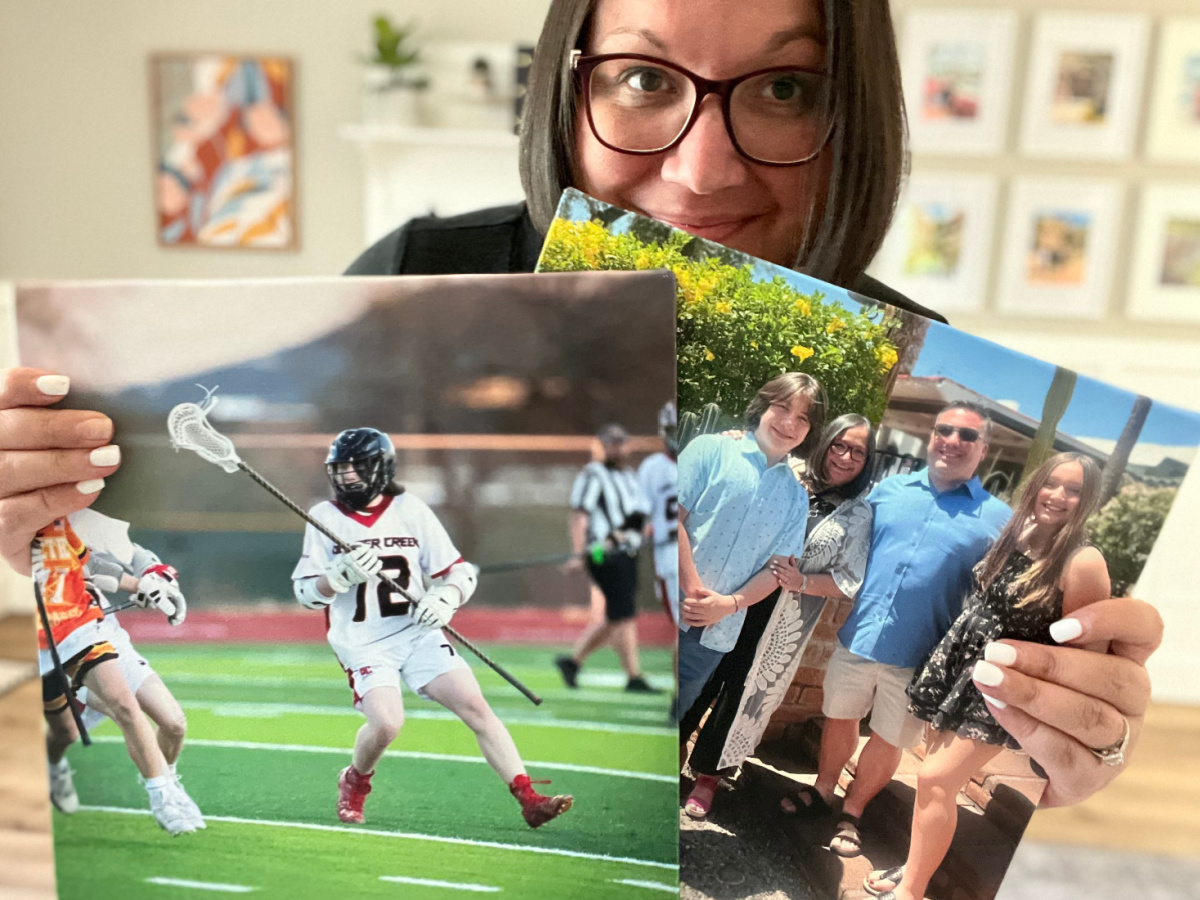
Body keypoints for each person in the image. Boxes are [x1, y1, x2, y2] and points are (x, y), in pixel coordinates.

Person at [0, 0, 1163, 810]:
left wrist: (1056, 730)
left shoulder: (876, 353)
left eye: (787, 86)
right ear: (571, 83)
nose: (703, 172)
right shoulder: (418, 270)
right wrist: (40, 498)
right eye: (647, 79)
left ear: (852, 114)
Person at [291, 427, 572, 829]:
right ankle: (355, 781)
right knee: (387, 723)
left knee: (476, 707)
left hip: (417, 632)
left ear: (380, 468)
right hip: (364, 642)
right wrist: (338, 577)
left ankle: (529, 798)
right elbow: (306, 593)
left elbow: (457, 572)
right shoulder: (324, 517)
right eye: (341, 468)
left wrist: (446, 599)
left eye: (356, 467)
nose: (347, 476)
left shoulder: (410, 509)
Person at [865, 453, 1112, 900]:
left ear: (1088, 500)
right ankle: (913, 869)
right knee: (935, 779)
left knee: (935, 780)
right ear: (1036, 482)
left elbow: (1088, 653)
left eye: (1074, 490)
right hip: (958, 668)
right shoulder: (1020, 531)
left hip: (1003, 689)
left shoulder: (1083, 561)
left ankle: (912, 892)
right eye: (1052, 483)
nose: (1058, 496)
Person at [783, 403, 1011, 857]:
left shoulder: (1000, 520)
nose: (952, 440)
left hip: (922, 657)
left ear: (983, 449)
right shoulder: (887, 491)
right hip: (859, 637)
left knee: (889, 738)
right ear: (932, 438)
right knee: (839, 718)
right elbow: (828, 493)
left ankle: (853, 812)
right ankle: (824, 790)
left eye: (966, 435)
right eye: (944, 430)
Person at [680, 414, 875, 818]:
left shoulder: (858, 513)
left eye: (858, 451)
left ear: (868, 459)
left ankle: (709, 777)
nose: (845, 456)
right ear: (824, 442)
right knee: (700, 677)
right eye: (839, 443)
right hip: (732, 594)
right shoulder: (789, 473)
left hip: (780, 620)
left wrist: (801, 581)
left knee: (739, 694)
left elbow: (848, 581)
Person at [33, 516, 203, 835]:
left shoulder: (63, 518)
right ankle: (53, 766)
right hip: (44, 640)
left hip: (92, 630)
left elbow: (107, 559)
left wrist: (150, 581)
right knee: (70, 731)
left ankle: (167, 787)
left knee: (173, 722)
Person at [676, 372, 824, 724]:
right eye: (783, 407)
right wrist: (694, 588)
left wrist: (728, 605)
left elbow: (776, 570)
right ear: (762, 406)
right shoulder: (710, 450)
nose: (790, 422)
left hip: (714, 633)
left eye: (803, 418)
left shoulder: (795, 498)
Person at [555, 422, 658, 692]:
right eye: (611, 443)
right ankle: (633, 675)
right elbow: (580, 515)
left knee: (619, 614)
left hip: (629, 551)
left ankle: (573, 661)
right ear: (602, 447)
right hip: (603, 552)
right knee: (622, 612)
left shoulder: (629, 476)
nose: (617, 448)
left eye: (620, 442)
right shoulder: (593, 474)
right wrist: (579, 553)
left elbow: (637, 515)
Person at [637, 403, 681, 713]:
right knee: (684, 630)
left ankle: (682, 698)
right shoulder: (653, 467)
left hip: (697, 554)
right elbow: (638, 515)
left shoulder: (702, 459)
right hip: (669, 555)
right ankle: (679, 698)